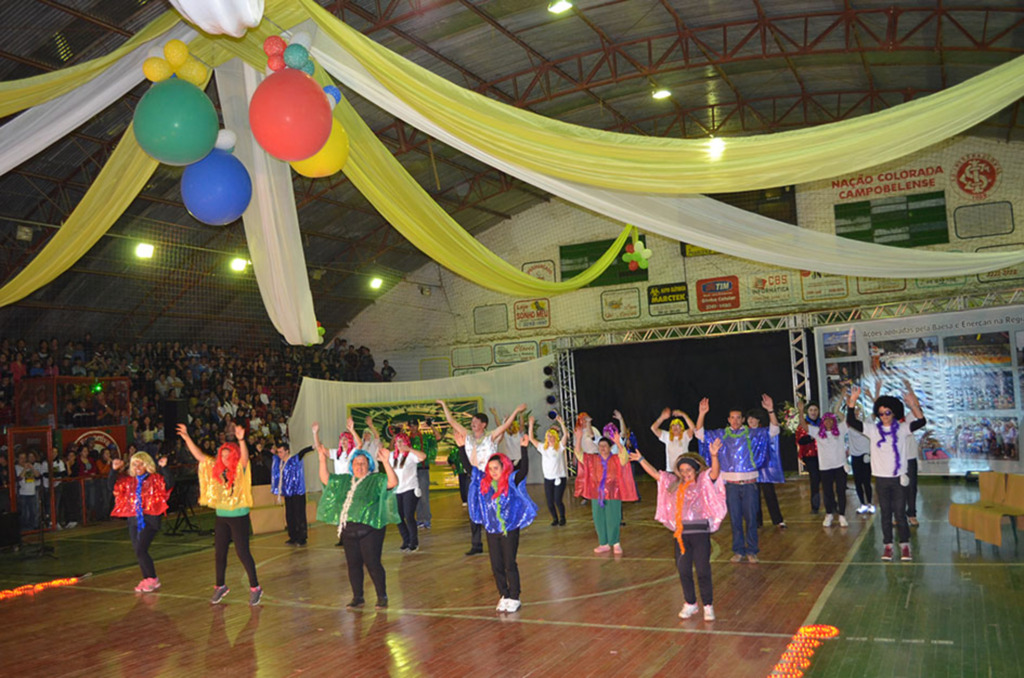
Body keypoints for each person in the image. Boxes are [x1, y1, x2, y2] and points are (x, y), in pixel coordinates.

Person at [632, 438, 725, 621]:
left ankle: (708, 605)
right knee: (683, 570)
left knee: (702, 570)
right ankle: (690, 603)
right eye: (682, 471)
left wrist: (714, 456)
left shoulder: (703, 482)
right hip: (681, 534)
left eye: (688, 470)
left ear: (695, 470)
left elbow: (714, 473)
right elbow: (656, 475)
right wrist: (641, 459)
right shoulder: (675, 484)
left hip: (700, 533)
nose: (685, 473)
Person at [177, 422, 263, 605]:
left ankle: (255, 587)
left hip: (238, 516)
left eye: (227, 455)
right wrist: (186, 437)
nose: (224, 458)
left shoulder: (240, 468)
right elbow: (200, 457)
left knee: (242, 552)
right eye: (222, 455)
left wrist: (241, 440)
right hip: (222, 516)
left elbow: (245, 458)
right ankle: (220, 586)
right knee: (219, 552)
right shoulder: (216, 469)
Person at [696, 395, 782, 564]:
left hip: (750, 485)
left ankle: (752, 551)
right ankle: (738, 550)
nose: (735, 421)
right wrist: (702, 414)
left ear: (743, 420)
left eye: (738, 418)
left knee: (751, 520)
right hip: (731, 486)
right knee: (735, 520)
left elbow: (774, 431)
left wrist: (771, 410)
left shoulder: (753, 434)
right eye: (732, 418)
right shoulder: (721, 435)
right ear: (728, 420)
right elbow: (700, 434)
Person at [845, 383, 926, 562]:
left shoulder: (902, 429)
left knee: (900, 514)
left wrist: (913, 405)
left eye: (887, 412)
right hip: (881, 479)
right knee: (886, 514)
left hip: (898, 479)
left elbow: (921, 422)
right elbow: (852, 421)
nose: (884, 416)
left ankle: (904, 545)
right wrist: (852, 402)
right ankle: (887, 545)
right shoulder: (873, 430)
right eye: (881, 414)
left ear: (894, 412)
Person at [437, 400, 526, 556]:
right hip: (473, 478)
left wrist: (516, 411)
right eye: (472, 421)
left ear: (483, 424)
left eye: (476, 422)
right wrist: (443, 405)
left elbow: (505, 426)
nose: (473, 424)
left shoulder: (490, 436)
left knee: (492, 509)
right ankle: (476, 544)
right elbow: (451, 421)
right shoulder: (467, 436)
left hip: (489, 479)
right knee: (473, 510)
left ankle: (500, 535)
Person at [316, 443, 399, 609]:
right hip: (349, 530)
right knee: (353, 565)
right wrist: (322, 460)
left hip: (371, 529)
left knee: (372, 563)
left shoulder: (375, 480)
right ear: (351, 465)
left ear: (369, 465)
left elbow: (392, 482)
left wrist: (386, 462)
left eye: (363, 463)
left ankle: (381, 596)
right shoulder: (344, 481)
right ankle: (358, 597)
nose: (359, 466)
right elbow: (326, 479)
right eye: (356, 463)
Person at [469, 437, 537, 613]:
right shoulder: (485, 485)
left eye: (496, 468)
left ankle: (514, 596)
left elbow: (524, 470)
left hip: (509, 529)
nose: (493, 472)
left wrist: (523, 448)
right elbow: (470, 470)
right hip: (492, 530)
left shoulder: (511, 482)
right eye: (490, 469)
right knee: (496, 565)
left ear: (503, 468)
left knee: (509, 563)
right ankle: (504, 594)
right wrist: (462, 447)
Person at [108, 451, 173, 592]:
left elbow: (168, 484)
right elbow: (112, 486)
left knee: (141, 549)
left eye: (141, 464)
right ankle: (147, 578)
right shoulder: (128, 481)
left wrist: (164, 468)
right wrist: (113, 470)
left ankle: (152, 578)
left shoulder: (155, 479)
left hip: (151, 519)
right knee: (138, 551)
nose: (137, 467)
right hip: (134, 520)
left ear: (147, 464)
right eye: (134, 464)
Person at [573, 424, 638, 554]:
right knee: (598, 519)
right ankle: (603, 543)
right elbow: (579, 454)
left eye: (605, 446)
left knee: (613, 518)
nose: (602, 448)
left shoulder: (615, 459)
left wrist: (618, 443)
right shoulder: (592, 459)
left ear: (610, 448)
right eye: (600, 446)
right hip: (596, 493)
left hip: (613, 492)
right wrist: (579, 438)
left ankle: (615, 543)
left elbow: (625, 458)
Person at [746, 408, 786, 530]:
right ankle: (757, 521)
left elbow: (775, 428)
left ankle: (778, 520)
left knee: (770, 494)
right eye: (749, 418)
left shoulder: (765, 431)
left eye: (754, 418)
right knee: (753, 496)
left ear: (759, 420)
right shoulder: (743, 433)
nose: (751, 420)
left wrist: (771, 411)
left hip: (765, 470)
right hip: (750, 470)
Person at [527, 414, 569, 526]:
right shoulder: (542, 448)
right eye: (548, 436)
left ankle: (562, 517)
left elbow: (566, 435)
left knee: (557, 500)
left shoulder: (559, 447)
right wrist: (531, 424)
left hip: (559, 477)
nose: (550, 438)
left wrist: (562, 423)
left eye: (552, 436)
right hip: (548, 479)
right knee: (550, 502)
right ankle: (555, 519)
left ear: (555, 437)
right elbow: (531, 439)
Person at [271, 440, 312, 546]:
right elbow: (272, 456)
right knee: (289, 515)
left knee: (299, 515)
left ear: (287, 451)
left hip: (298, 492)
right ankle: (293, 536)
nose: (279, 454)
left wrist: (312, 447)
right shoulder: (280, 463)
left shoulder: (294, 460)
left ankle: (302, 538)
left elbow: (302, 453)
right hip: (288, 493)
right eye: (278, 452)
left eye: (281, 452)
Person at [814, 408, 850, 528]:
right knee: (827, 492)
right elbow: (804, 426)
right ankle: (829, 514)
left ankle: (842, 515)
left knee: (841, 491)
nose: (828, 422)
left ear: (834, 421)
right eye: (826, 420)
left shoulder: (840, 430)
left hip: (840, 466)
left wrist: (840, 406)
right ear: (823, 422)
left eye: (831, 420)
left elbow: (847, 420)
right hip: (825, 467)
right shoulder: (818, 433)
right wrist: (801, 410)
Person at [390, 433, 426, 552]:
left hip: (410, 488)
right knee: (398, 517)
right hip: (397, 490)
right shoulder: (392, 456)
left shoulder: (410, 455)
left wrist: (410, 449)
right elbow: (380, 457)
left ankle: (414, 542)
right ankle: (406, 540)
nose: (399, 444)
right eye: (397, 441)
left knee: (409, 515)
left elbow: (423, 456)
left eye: (401, 441)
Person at [410, 418, 441, 530]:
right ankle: (419, 519)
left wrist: (431, 426)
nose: (412, 428)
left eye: (414, 425)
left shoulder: (425, 437)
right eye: (410, 426)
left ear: (417, 426)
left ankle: (427, 519)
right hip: (411, 471)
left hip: (423, 469)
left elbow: (438, 437)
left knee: (424, 496)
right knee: (416, 496)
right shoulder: (407, 439)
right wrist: (396, 433)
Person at [795, 400, 823, 514]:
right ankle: (815, 506)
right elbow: (801, 440)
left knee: (827, 480)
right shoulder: (804, 425)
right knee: (814, 481)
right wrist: (813, 436)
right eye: (811, 410)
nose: (813, 412)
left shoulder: (823, 423)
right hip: (810, 456)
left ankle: (831, 504)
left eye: (815, 410)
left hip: (823, 456)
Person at [848, 406, 874, 515]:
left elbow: (876, 411)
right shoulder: (849, 425)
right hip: (855, 457)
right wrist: (845, 400)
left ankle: (870, 504)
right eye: (855, 411)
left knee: (866, 482)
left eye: (859, 411)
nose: (857, 413)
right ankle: (862, 504)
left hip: (865, 456)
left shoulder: (867, 422)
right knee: (858, 482)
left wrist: (873, 396)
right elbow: (836, 411)